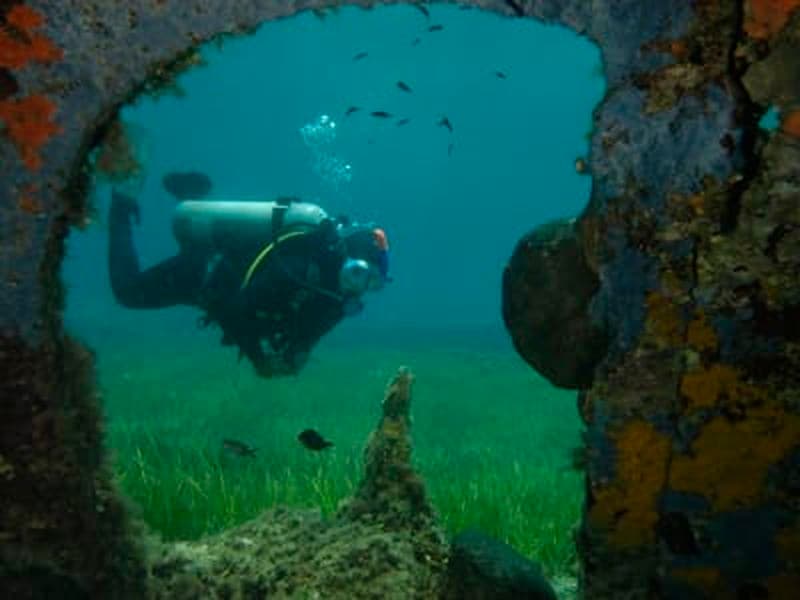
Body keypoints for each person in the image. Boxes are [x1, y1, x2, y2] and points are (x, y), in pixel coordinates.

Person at [108, 174, 390, 378]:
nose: (359, 287)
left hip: (216, 286)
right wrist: (259, 360)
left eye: (372, 284)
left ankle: (192, 197)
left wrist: (295, 356)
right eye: (358, 273)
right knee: (127, 292)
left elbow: (307, 335)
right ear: (345, 257)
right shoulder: (297, 270)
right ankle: (122, 202)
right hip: (203, 272)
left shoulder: (336, 301)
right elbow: (235, 309)